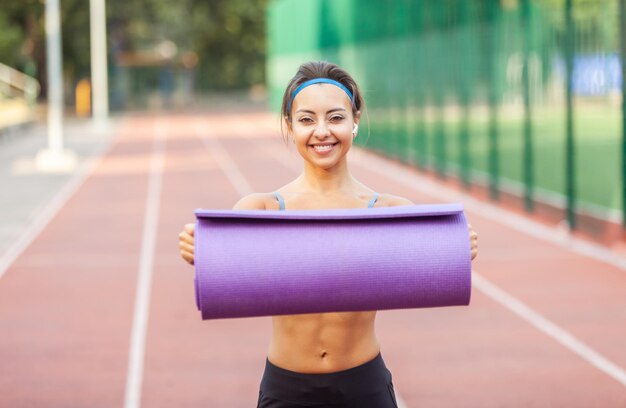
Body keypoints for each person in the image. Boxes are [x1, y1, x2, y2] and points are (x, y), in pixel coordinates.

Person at [178, 60, 479, 407]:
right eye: (307, 120)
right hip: (286, 387)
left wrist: (456, 249)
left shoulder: (389, 210)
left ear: (355, 121)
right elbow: (220, 259)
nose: (322, 131)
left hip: (364, 385)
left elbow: (437, 260)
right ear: (290, 127)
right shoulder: (262, 209)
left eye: (336, 118)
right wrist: (198, 249)